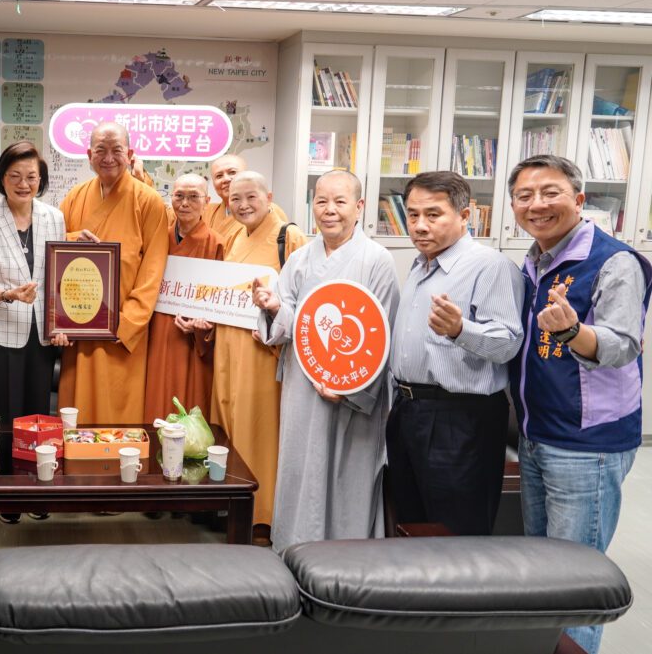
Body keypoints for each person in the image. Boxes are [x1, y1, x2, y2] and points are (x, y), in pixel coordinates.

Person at [508, 155, 651, 654]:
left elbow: (622, 345)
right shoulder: (534, 260)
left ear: (579, 200)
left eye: (550, 193)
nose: (537, 204)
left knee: (577, 577)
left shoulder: (615, 261)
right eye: (524, 196)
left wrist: (572, 331)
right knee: (543, 568)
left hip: (587, 444)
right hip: (537, 435)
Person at [253, 170, 398, 549]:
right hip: (304, 382)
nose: (329, 210)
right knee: (302, 467)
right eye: (321, 201)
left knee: (348, 472)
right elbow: (289, 322)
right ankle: (294, 551)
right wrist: (273, 306)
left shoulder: (377, 260)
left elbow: (382, 334)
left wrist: (351, 389)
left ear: (359, 207)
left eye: (339, 201)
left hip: (353, 391)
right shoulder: (300, 258)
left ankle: (347, 560)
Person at [387, 170, 524, 536]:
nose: (419, 225)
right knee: (411, 520)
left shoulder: (490, 266)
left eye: (433, 214)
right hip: (408, 411)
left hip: (460, 418)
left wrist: (461, 330)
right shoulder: (421, 264)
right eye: (413, 214)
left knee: (457, 528)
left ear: (465, 216)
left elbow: (508, 343)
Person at [210, 170, 307, 544]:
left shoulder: (288, 236)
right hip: (227, 345)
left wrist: (276, 320)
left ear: (269, 197)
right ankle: (231, 509)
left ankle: (263, 515)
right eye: (235, 198)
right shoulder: (234, 235)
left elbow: (304, 297)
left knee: (260, 429)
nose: (243, 205)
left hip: (263, 349)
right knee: (230, 424)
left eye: (251, 197)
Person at [58, 122, 169, 423]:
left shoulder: (148, 201)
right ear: (89, 155)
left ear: (130, 154)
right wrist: (72, 239)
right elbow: (54, 251)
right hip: (78, 325)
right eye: (101, 150)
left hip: (121, 330)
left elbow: (153, 269)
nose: (108, 158)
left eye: (116, 150)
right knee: (77, 412)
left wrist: (128, 321)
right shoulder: (75, 197)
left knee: (118, 414)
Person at [0, 142, 64, 425]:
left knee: (38, 414)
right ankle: (4, 458)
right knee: (4, 415)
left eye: (31, 177)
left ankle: (36, 457)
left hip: (42, 335)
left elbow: (58, 280)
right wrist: (8, 294)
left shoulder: (54, 217)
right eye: (15, 176)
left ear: (40, 179)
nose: (24, 184)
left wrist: (61, 324)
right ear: (2, 178)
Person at [143, 173, 224, 423]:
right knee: (155, 395)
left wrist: (204, 325)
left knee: (191, 401)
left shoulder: (217, 243)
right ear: (171, 199)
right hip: (157, 330)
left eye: (193, 197)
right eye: (179, 196)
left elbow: (222, 300)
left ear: (207, 202)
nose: (185, 203)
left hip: (193, 339)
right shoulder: (158, 238)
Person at [203, 154, 288, 248]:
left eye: (232, 172)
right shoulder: (206, 211)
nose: (226, 179)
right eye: (219, 176)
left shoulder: (268, 210)